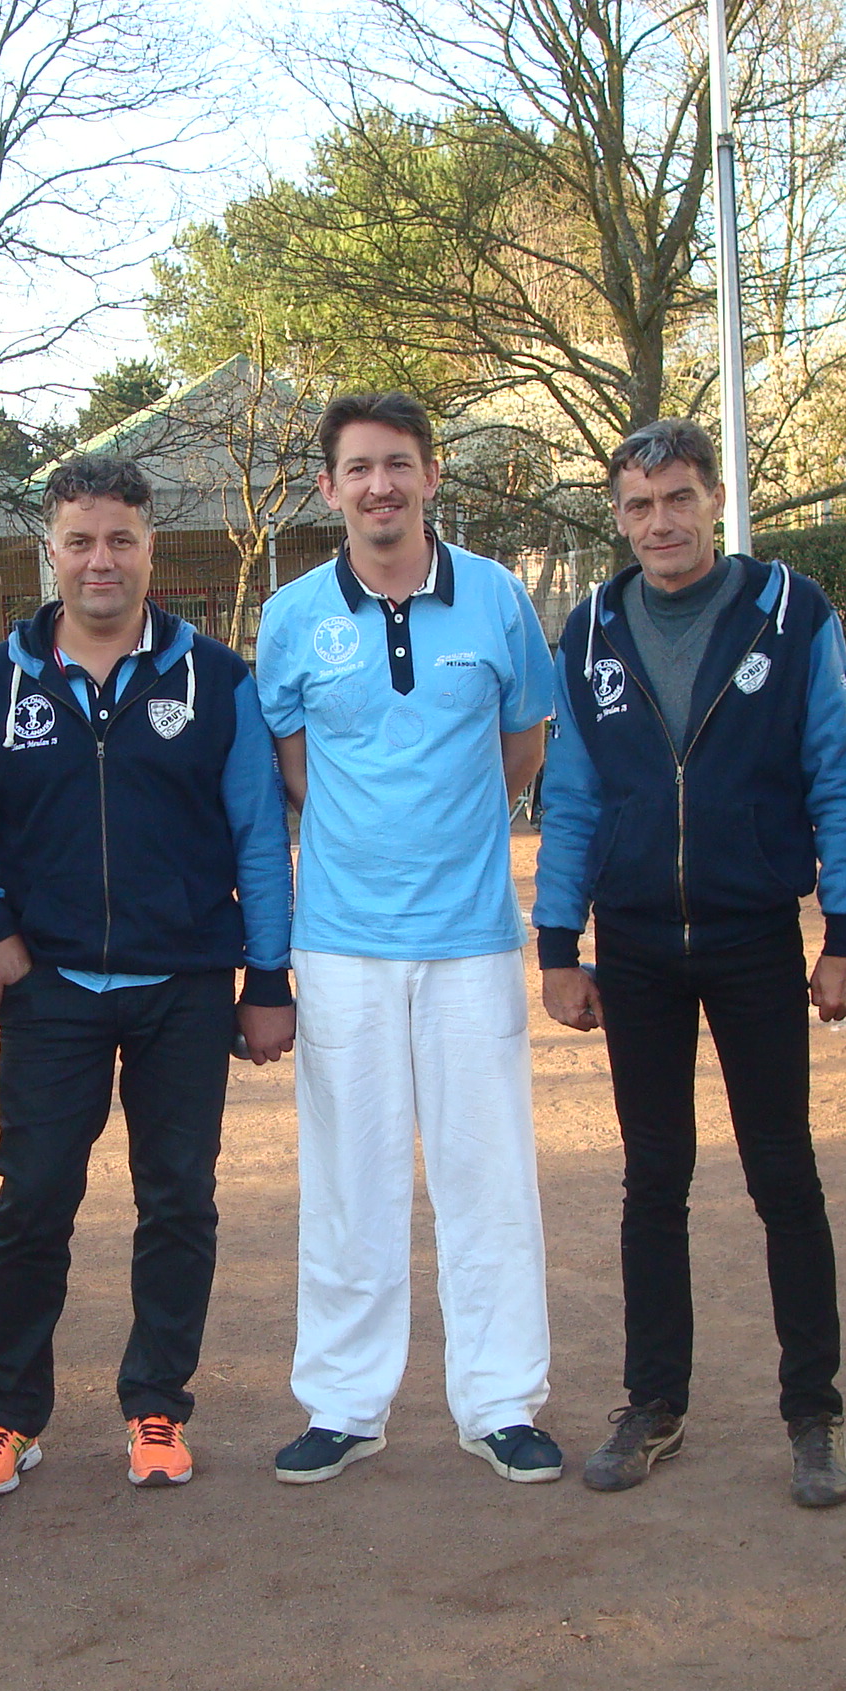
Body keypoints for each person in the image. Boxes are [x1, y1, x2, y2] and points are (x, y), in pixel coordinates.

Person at [0, 455, 294, 1497]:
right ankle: (9, 1417)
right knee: (32, 1200)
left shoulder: (215, 679)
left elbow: (259, 838)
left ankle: (158, 1408)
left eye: (120, 539)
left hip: (182, 985)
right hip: (49, 991)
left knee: (178, 1200)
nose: (101, 560)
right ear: (50, 549)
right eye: (80, 540)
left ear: (150, 549)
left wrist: (267, 979)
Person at [533, 418, 846, 1509]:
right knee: (653, 1181)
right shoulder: (588, 629)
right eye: (637, 507)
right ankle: (653, 1403)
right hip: (634, 948)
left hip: (754, 937)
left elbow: (838, 773)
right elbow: (573, 796)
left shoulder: (791, 609)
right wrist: (557, 944)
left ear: (714, 500)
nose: (659, 523)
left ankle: (813, 1413)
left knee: (784, 1175)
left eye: (677, 499)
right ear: (619, 516)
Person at [254, 392, 561, 1487]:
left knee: (488, 1179)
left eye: (399, 465)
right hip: (341, 944)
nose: (379, 486)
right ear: (330, 487)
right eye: (358, 469)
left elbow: (520, 747)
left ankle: (500, 1402)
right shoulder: (291, 617)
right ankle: (343, 1404)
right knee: (350, 1181)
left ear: (432, 476)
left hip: (472, 940)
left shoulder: (499, 600)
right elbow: (293, 772)